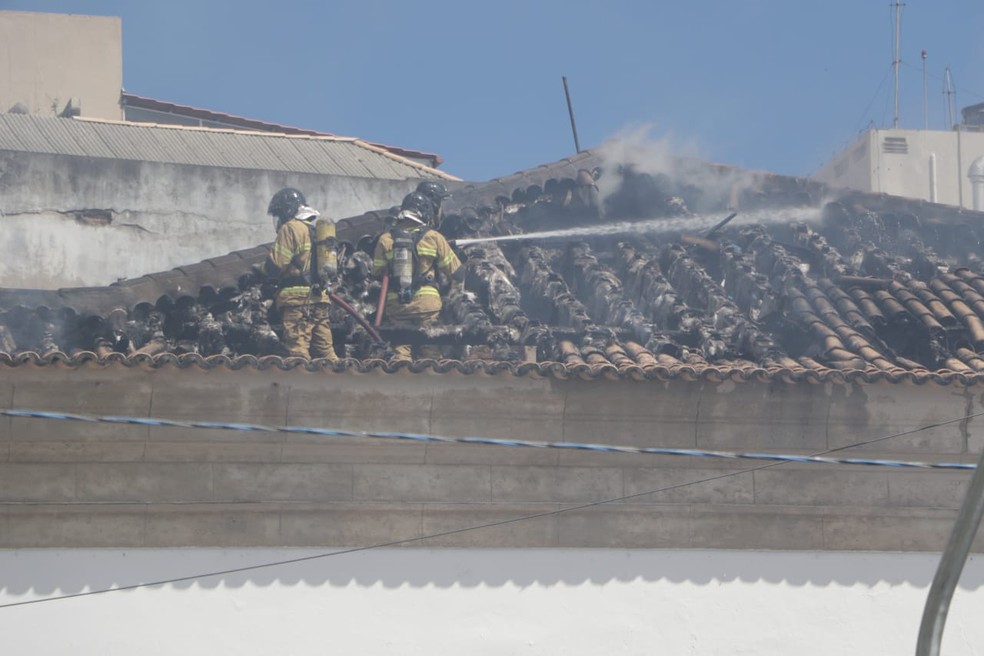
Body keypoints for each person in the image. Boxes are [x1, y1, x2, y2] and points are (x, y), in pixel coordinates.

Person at [373, 192, 464, 361]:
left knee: (400, 350)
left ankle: (403, 382)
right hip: (427, 306)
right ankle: (430, 383)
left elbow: (377, 273)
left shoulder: (385, 239)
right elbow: (457, 273)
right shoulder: (433, 237)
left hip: (398, 305)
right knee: (430, 350)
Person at [264, 187, 338, 361]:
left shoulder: (290, 228)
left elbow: (277, 264)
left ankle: (298, 386)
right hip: (320, 299)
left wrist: (260, 270)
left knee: (297, 351)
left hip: (297, 300)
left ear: (287, 210)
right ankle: (342, 383)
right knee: (325, 352)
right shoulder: (315, 232)